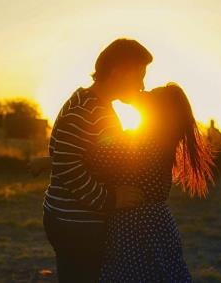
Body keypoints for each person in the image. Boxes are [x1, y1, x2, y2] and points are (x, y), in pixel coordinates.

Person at [42, 38, 153, 282]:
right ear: (117, 72)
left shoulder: (90, 103)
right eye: (139, 75)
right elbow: (67, 166)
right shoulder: (87, 109)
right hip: (76, 221)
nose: (143, 85)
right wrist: (110, 199)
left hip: (71, 218)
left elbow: (82, 153)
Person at [88, 83, 216, 282]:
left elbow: (94, 158)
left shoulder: (145, 141)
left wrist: (48, 161)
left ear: (157, 110)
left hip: (138, 229)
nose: (143, 92)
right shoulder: (155, 139)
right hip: (153, 226)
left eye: (150, 95)